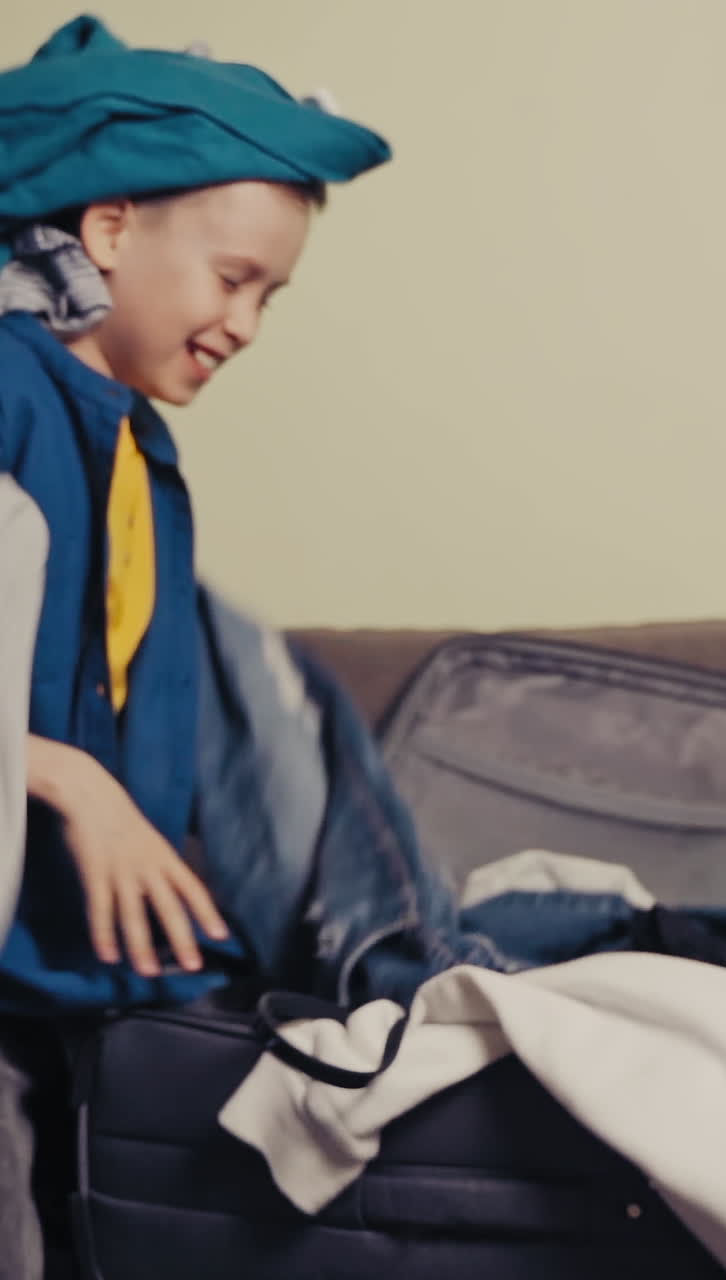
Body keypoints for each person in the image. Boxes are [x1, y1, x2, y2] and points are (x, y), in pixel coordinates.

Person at [0, 15, 389, 1276]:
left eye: (270, 295)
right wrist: (62, 776)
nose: (247, 324)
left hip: (77, 986)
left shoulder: (141, 450)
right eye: (232, 278)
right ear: (110, 229)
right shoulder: (7, 392)